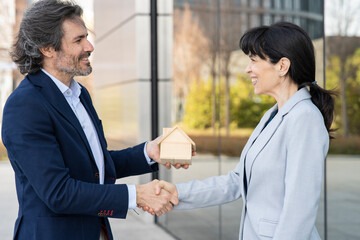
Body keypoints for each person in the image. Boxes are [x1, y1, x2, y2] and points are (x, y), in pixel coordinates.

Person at [1, 1, 185, 239]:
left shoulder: (79, 94)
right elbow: (59, 193)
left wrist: (149, 152)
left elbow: (95, 168)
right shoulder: (25, 105)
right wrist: (136, 195)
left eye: (86, 37)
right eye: (78, 40)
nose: (89, 46)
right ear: (47, 48)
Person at [146, 22, 336, 239]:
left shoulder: (305, 119)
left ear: (282, 66)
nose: (248, 68)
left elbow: (299, 209)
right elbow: (237, 181)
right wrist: (177, 193)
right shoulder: (272, 115)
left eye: (254, 60)